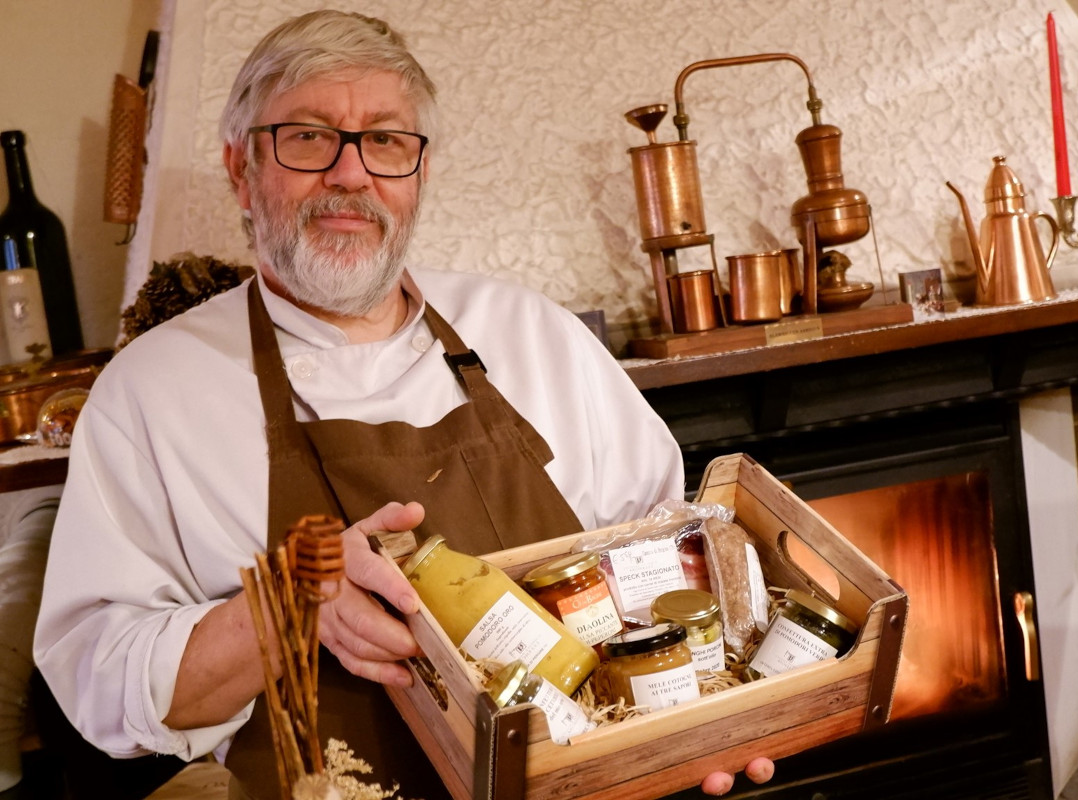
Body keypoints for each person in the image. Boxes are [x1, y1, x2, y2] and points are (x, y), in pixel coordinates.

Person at [33, 10, 772, 800]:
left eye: (385, 140)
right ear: (241, 169)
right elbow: (98, 684)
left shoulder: (532, 334)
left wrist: (711, 716)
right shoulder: (152, 393)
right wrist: (289, 605)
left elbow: (668, 557)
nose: (351, 174)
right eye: (308, 136)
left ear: (418, 172)